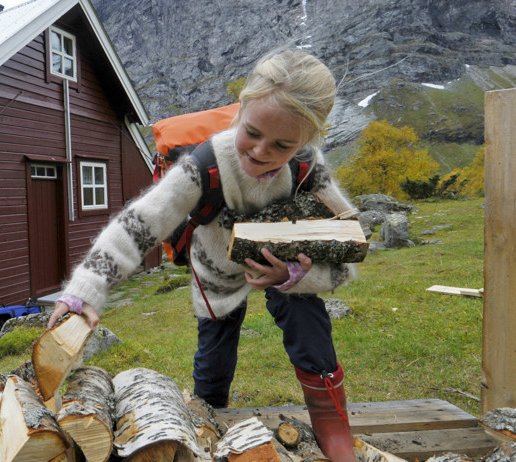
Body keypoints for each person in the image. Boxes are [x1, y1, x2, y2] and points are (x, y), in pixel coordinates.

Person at [47, 48, 358, 462]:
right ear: (241, 108)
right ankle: (209, 417)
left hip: (285, 266)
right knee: (214, 353)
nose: (261, 152)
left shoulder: (308, 168)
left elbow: (349, 247)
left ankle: (332, 422)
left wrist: (297, 275)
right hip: (216, 269)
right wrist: (85, 289)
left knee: (309, 323)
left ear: (309, 140)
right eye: (253, 132)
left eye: (283, 144)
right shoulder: (204, 165)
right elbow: (139, 224)